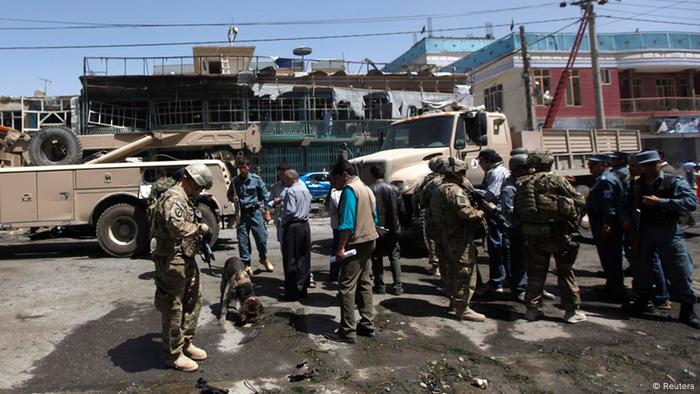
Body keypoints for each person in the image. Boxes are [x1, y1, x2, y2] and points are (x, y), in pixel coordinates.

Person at [622, 150, 699, 329]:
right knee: (641, 268)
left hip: (668, 230)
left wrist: (661, 202)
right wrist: (625, 218)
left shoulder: (673, 181)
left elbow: (690, 202)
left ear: (659, 163)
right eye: (644, 165)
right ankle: (643, 300)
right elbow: (625, 204)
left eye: (651, 164)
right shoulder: (636, 184)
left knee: (679, 268)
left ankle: (687, 308)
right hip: (643, 231)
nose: (648, 168)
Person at [149, 162, 213, 372]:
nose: (199, 192)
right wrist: (199, 228)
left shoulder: (186, 198)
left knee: (194, 299)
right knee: (174, 306)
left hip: (184, 257)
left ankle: (185, 342)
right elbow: (176, 227)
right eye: (198, 187)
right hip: (171, 260)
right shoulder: (174, 197)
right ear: (188, 179)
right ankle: (173, 354)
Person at [514, 150, 587, 324]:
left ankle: (532, 310)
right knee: (565, 271)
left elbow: (517, 211)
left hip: (533, 234)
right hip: (558, 233)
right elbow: (580, 200)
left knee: (535, 272)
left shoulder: (523, 182)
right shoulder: (556, 179)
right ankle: (571, 310)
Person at [324, 159, 379, 344]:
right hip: (369, 240)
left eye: (336, 179)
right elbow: (375, 216)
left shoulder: (349, 190)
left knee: (346, 287)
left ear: (344, 175)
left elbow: (347, 223)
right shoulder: (365, 187)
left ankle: (347, 330)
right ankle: (368, 324)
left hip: (356, 243)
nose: (335, 183)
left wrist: (341, 247)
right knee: (364, 283)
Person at [430, 157, 487, 322]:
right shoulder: (455, 191)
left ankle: (454, 302)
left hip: (444, 237)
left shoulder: (437, 189)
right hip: (458, 238)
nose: (463, 176)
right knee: (464, 272)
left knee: (449, 270)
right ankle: (463, 308)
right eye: (462, 173)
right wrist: (481, 212)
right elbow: (466, 213)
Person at [586, 154, 627, 303]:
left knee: (611, 258)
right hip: (603, 222)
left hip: (606, 224)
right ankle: (612, 287)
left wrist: (607, 224)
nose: (590, 166)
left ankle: (617, 292)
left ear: (604, 165)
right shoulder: (603, 180)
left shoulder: (605, 181)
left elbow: (609, 206)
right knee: (609, 258)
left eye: (593, 164)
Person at [228, 158, 274, 275]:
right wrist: (233, 198)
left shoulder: (256, 180)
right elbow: (229, 195)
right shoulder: (234, 182)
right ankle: (246, 264)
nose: (245, 167)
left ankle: (263, 258)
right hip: (242, 215)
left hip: (255, 213)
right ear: (239, 167)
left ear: (249, 167)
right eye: (242, 165)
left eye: (247, 165)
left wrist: (267, 211)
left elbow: (265, 196)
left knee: (262, 239)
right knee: (243, 241)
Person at [476, 148, 511, 293]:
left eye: (481, 161)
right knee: (504, 248)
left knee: (496, 248)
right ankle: (508, 278)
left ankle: (497, 282)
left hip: (496, 214)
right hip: (501, 214)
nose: (480, 164)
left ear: (488, 161)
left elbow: (491, 194)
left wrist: (474, 191)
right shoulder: (500, 171)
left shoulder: (496, 173)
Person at [369, 164, 405, 295]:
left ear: (372, 175)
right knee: (394, 257)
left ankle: (380, 286)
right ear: (384, 174)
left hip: (377, 230)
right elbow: (402, 210)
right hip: (393, 229)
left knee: (377, 258)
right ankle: (398, 286)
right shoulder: (394, 189)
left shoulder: (370, 189)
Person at [277, 169, 313, 301]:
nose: (283, 181)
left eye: (285, 178)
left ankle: (292, 292)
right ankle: (302, 289)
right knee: (304, 258)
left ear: (290, 179)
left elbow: (290, 211)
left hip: (293, 226)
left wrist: (282, 221)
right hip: (305, 225)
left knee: (290, 259)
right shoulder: (305, 190)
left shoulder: (291, 191)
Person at [413, 157, 445, 276]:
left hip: (432, 214)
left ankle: (436, 266)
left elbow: (417, 194)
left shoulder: (430, 180)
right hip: (449, 215)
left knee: (432, 238)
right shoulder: (452, 177)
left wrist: (417, 210)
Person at [324, 173, 344, 283]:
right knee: (338, 249)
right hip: (338, 225)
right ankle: (335, 274)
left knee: (337, 249)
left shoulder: (335, 192)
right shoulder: (335, 192)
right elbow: (338, 207)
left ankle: (335, 273)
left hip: (337, 224)